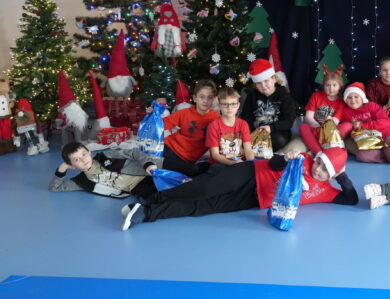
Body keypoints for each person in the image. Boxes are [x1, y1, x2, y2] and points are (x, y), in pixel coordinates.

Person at [120, 147, 357, 230]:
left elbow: (351, 199)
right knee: (204, 189)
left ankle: (146, 213)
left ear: (332, 175)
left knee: (205, 207)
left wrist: (342, 176)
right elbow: (273, 164)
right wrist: (286, 158)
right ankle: (153, 198)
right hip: (250, 174)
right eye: (319, 163)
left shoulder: (325, 190)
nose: (318, 170)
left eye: (325, 170)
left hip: (255, 199)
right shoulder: (303, 159)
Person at [49, 142, 200, 199]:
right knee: (167, 194)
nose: (83, 160)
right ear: (73, 166)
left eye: (83, 154)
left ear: (89, 152)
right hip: (138, 186)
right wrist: (62, 168)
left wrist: (148, 164)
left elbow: (133, 152)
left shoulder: (106, 155)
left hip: (150, 168)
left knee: (191, 170)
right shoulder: (82, 181)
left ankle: (207, 174)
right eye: (76, 160)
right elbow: (54, 188)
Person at [241, 59, 298, 153]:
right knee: (241, 137)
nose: (263, 86)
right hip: (256, 130)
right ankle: (254, 147)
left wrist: (270, 128)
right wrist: (255, 129)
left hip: (276, 131)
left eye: (266, 81)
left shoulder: (284, 96)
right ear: (255, 84)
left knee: (279, 140)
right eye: (259, 83)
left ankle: (255, 147)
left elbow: (289, 121)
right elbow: (245, 117)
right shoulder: (252, 96)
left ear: (274, 78)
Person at [162, 79, 219, 164]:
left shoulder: (216, 119)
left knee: (195, 169)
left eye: (209, 97)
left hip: (187, 160)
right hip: (169, 148)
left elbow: (218, 143)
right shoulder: (185, 113)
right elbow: (161, 124)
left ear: (213, 99)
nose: (205, 101)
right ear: (195, 98)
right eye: (202, 97)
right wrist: (153, 114)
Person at [299, 66, 346, 155]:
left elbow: (335, 121)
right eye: (328, 85)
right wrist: (316, 126)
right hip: (316, 128)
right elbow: (308, 116)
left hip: (330, 131)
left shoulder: (341, 102)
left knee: (347, 126)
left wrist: (326, 128)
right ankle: (319, 152)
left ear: (340, 86)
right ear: (323, 86)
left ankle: (331, 144)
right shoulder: (316, 96)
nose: (331, 89)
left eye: (334, 85)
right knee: (303, 127)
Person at [205, 87, 254, 166]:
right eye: (225, 104)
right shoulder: (213, 126)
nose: (229, 108)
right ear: (219, 106)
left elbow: (248, 150)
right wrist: (233, 163)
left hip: (240, 161)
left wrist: (251, 165)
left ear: (238, 105)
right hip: (220, 163)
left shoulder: (243, 124)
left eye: (233, 104)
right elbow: (215, 155)